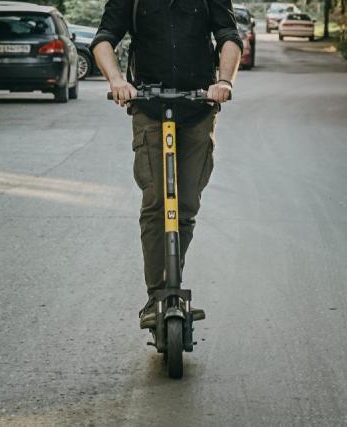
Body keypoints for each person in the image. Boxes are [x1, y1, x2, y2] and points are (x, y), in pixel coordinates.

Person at [91, 0, 242, 324]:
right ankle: (157, 295)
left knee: (185, 205)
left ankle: (173, 287)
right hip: (149, 107)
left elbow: (229, 37)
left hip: (198, 106)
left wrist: (225, 82)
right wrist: (117, 80)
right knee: (157, 203)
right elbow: (104, 39)